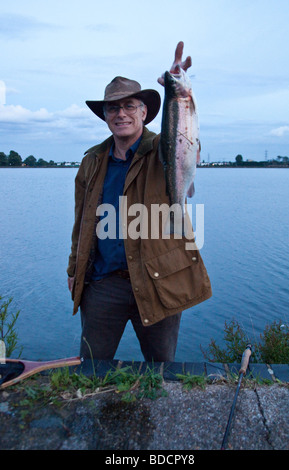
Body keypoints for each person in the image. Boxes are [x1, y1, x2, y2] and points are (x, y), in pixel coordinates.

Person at [67, 42, 212, 362]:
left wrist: (178, 92)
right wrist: (73, 268)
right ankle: (90, 412)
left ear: (145, 112)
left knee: (161, 372)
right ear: (105, 116)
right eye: (113, 108)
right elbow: (82, 222)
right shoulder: (91, 161)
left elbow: (187, 140)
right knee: (91, 369)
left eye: (129, 106)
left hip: (159, 281)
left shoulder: (164, 147)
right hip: (104, 284)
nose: (121, 114)